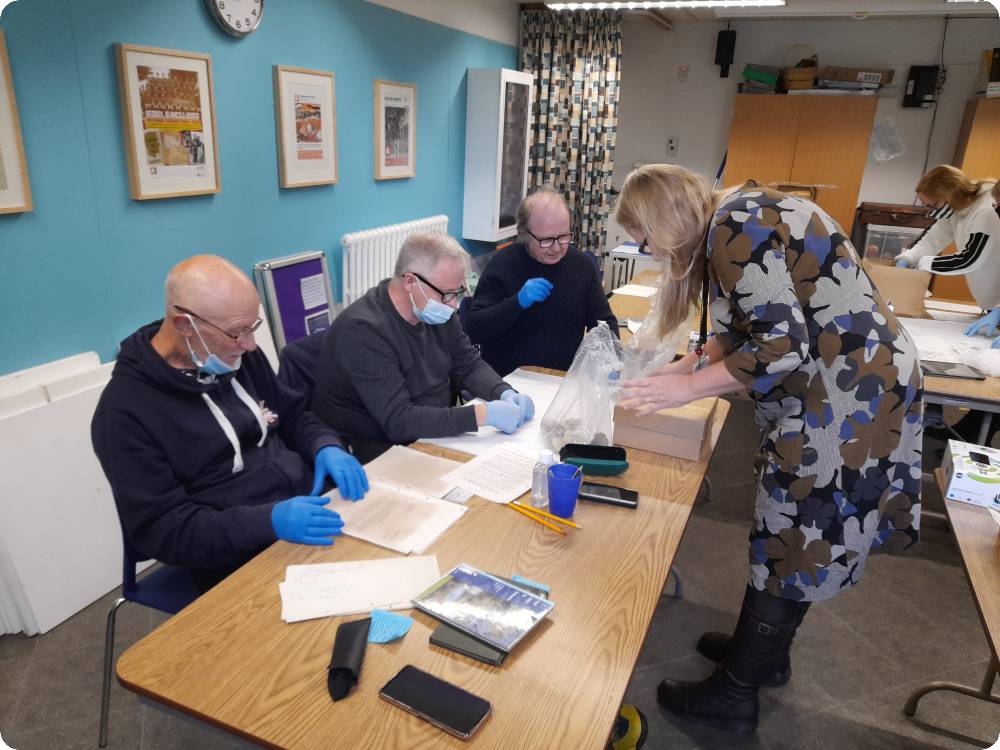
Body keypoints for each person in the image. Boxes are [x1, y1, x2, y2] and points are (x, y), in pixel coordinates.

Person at [615, 165, 923, 735]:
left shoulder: (735, 223)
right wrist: (690, 364)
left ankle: (734, 696)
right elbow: (757, 319)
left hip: (846, 401)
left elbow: (780, 346)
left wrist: (685, 388)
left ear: (665, 217)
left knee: (791, 535)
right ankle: (760, 655)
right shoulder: (741, 214)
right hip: (858, 387)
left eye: (643, 235)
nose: (645, 248)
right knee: (796, 535)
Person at [92, 255, 369, 592]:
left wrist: (325, 445)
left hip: (308, 507)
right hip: (232, 552)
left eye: (252, 328)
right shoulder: (125, 412)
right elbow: (163, 531)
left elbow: (293, 414)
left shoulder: (236, 355)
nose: (250, 345)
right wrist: (268, 521)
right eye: (237, 332)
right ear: (184, 325)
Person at [311, 233, 535, 463]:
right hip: (376, 452)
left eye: (458, 292)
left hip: (431, 435)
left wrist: (504, 392)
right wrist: (483, 415)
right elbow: (398, 421)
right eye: (447, 294)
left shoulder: (435, 310)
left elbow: (468, 364)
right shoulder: (363, 330)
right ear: (410, 282)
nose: (453, 304)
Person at [464, 186, 619, 376]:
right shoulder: (503, 264)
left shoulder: (581, 265)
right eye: (545, 240)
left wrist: (611, 359)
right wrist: (516, 303)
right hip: (509, 381)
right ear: (524, 233)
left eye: (563, 237)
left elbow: (603, 321)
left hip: (562, 379)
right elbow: (474, 329)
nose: (556, 248)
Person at [894, 165, 1000, 346]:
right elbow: (933, 240)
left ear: (948, 196)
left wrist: (923, 264)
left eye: (932, 205)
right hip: (993, 305)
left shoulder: (985, 210)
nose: (930, 211)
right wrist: (908, 258)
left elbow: (970, 258)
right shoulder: (957, 208)